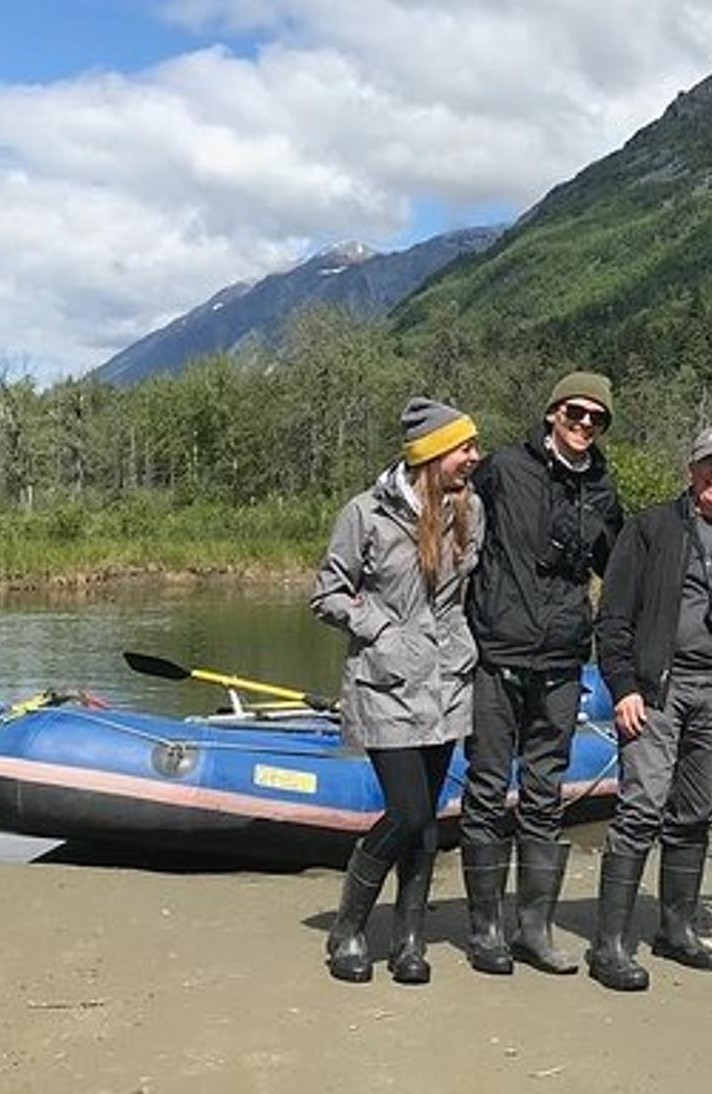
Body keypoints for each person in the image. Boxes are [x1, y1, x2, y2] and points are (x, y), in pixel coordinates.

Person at [584, 426, 712, 992]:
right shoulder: (650, 529)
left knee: (696, 811)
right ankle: (610, 944)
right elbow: (613, 616)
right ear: (691, 470)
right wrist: (623, 687)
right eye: (708, 465)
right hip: (656, 689)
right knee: (640, 808)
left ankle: (676, 928)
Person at [308, 397, 484, 986]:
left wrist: (465, 647)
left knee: (428, 820)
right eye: (465, 447)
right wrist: (383, 630)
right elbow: (328, 594)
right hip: (386, 685)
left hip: (446, 683)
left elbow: (463, 594)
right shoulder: (365, 513)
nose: (474, 458)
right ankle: (349, 928)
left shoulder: (470, 510)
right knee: (406, 813)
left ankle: (410, 939)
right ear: (432, 454)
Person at [459, 372, 624, 976]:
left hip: (560, 662)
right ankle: (485, 932)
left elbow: (621, 571)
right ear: (553, 413)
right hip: (496, 655)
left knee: (544, 795)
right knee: (484, 788)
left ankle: (534, 928)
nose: (584, 426)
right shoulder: (502, 468)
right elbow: (452, 525)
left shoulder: (603, 489)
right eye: (575, 414)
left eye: (595, 420)